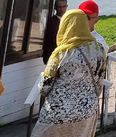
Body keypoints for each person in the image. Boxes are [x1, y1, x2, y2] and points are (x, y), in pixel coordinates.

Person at [31, 9, 106, 137]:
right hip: (87, 111)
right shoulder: (99, 49)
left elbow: (45, 87)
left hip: (57, 113)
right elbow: (99, 82)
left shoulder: (61, 53)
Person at [41, 0, 68, 65]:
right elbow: (52, 38)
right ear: (55, 8)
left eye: (64, 6)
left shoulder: (69, 20)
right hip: (53, 54)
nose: (62, 9)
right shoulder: (52, 21)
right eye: (59, 7)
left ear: (67, 6)